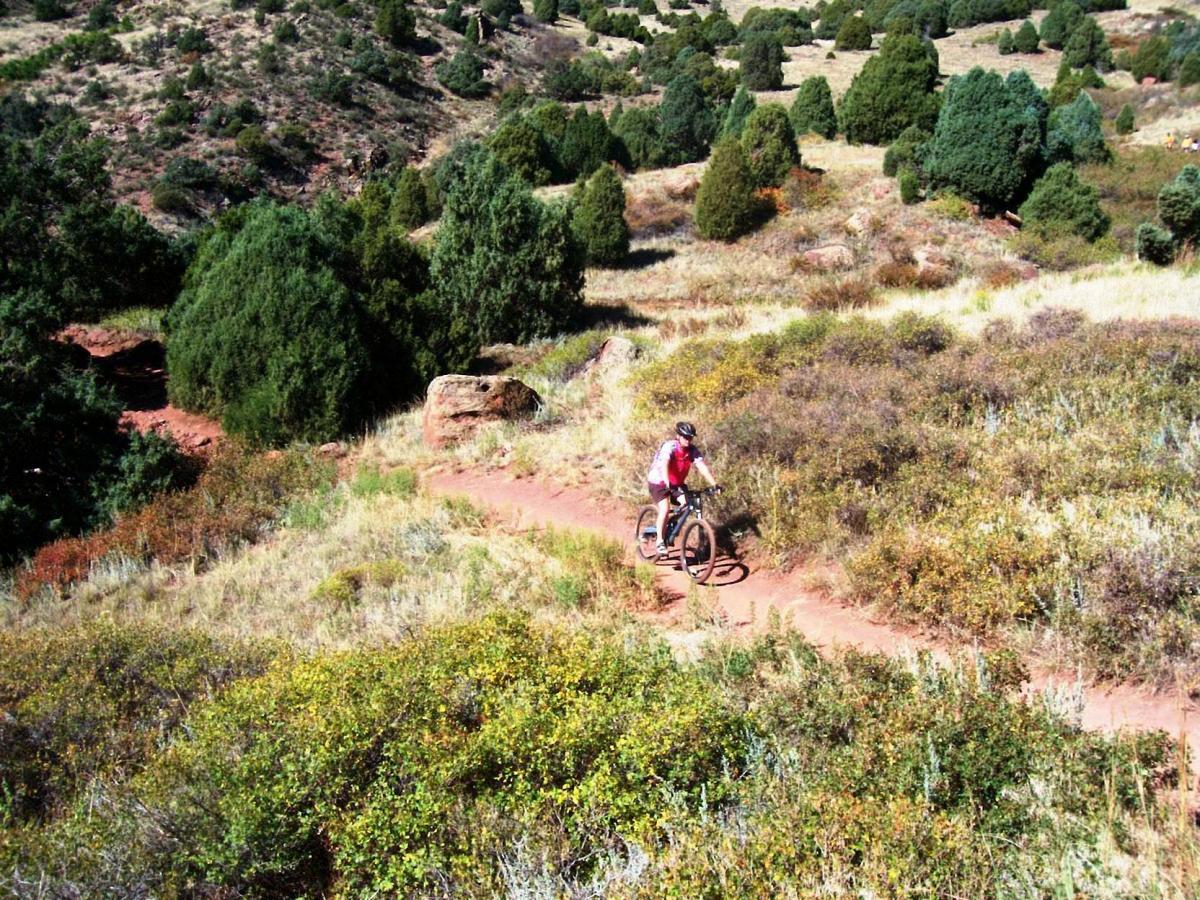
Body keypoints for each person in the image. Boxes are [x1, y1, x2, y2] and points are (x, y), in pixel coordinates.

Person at [646, 421, 719, 555]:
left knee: (686, 504)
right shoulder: (670, 447)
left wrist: (714, 484)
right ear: (678, 436)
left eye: (690, 437)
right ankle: (660, 541)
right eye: (685, 437)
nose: (688, 440)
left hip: (676, 483)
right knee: (665, 508)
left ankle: (669, 526)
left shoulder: (692, 451)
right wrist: (667, 481)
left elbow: (702, 467)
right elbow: (664, 464)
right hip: (659, 481)